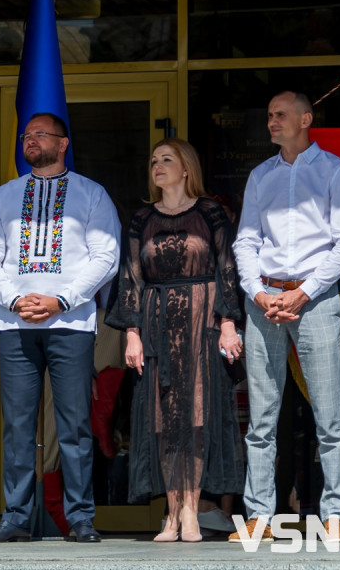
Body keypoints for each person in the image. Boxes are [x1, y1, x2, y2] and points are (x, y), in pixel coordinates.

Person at [0, 112, 120, 544]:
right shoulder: (4, 196)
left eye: (40, 135)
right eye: (26, 135)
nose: (30, 141)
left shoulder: (92, 195)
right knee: (18, 426)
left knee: (73, 424)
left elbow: (105, 256)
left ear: (64, 142)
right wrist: (15, 299)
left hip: (71, 324)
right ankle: (16, 518)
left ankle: (80, 519)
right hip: (14, 324)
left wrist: (62, 300)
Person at [105, 138, 244, 542]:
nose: (158, 165)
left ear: (186, 169)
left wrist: (229, 323)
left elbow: (227, 268)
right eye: (153, 160)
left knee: (196, 415)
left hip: (202, 322)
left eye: (167, 159)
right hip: (155, 323)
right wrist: (131, 334)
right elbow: (130, 278)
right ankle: (170, 512)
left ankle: (191, 513)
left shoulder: (209, 211)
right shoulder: (142, 218)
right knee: (163, 419)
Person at [230, 91, 340, 543]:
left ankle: (336, 514)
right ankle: (258, 516)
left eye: (280, 115)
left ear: (306, 118)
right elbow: (245, 241)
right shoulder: (260, 175)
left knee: (329, 414)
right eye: (268, 116)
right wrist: (259, 294)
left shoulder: (337, 172)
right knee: (262, 417)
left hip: (315, 299)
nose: (271, 122)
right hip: (264, 300)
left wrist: (303, 293)